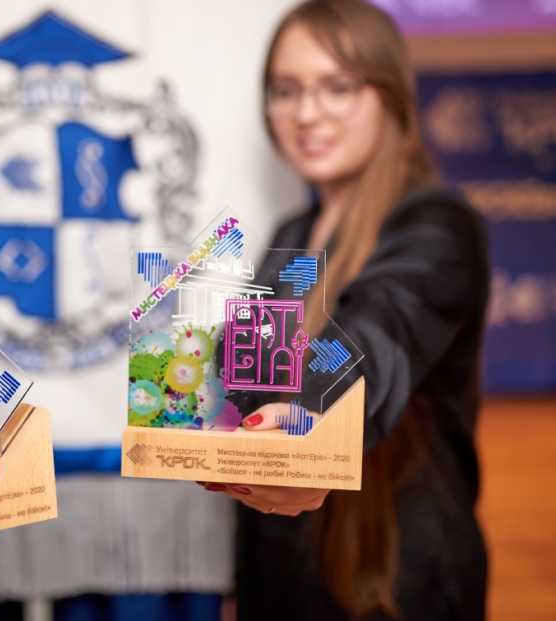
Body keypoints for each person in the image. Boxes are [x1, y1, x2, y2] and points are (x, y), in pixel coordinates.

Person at [201, 1, 490, 619]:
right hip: (284, 571)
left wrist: (307, 415)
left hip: (398, 580)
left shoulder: (435, 225)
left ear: (390, 96)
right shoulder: (294, 236)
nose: (306, 114)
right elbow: (245, 382)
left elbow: (368, 340)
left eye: (337, 87)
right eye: (285, 90)